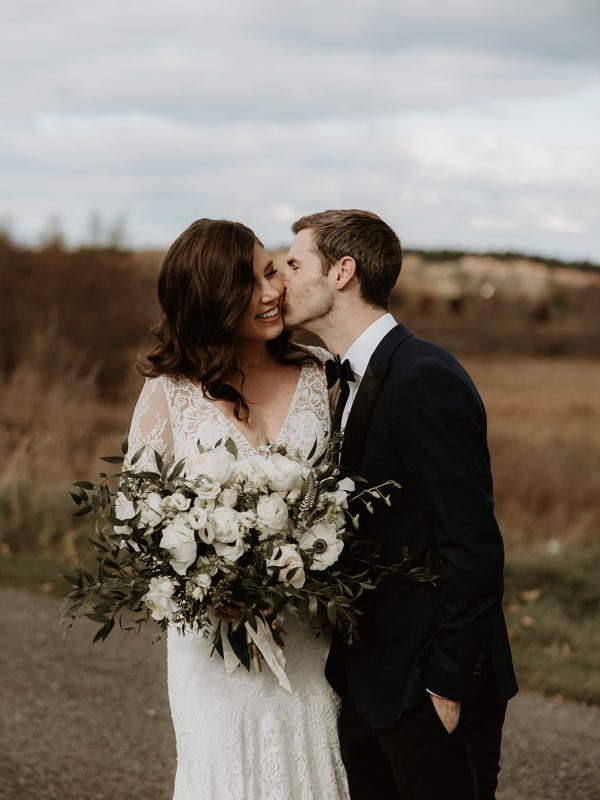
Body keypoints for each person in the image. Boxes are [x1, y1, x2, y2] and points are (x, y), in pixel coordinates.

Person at [283, 209, 518, 800]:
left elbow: (474, 544)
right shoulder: (336, 380)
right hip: (369, 681)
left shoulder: (424, 378)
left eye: (292, 263)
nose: (280, 280)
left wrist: (446, 685)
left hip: (427, 687)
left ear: (342, 271)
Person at [126, 218, 350, 799]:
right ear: (211, 300)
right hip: (212, 649)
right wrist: (206, 586)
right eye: (248, 283)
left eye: (271, 270)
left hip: (304, 639)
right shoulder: (170, 393)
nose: (272, 291)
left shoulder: (321, 377)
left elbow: (349, 497)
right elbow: (138, 523)